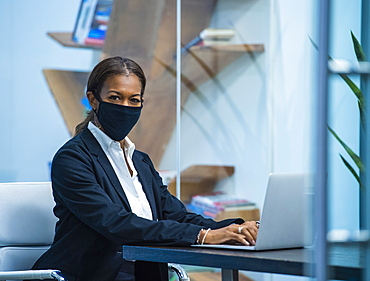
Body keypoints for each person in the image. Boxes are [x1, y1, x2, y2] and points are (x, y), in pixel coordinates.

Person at [32, 56, 258, 281]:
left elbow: (176, 215)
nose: (125, 107)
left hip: (145, 273)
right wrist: (203, 236)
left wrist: (237, 227)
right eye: (115, 97)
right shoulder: (73, 158)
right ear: (93, 99)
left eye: (134, 100)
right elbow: (116, 223)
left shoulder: (140, 161)